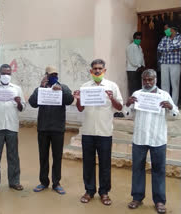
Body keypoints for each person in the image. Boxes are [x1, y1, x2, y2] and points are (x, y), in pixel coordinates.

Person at [125, 69, 179, 214]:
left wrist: (170, 107)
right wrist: (128, 103)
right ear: (142, 80)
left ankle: (160, 201)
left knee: (159, 170)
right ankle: (137, 197)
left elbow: (175, 115)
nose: (148, 82)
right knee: (137, 169)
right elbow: (128, 115)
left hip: (158, 139)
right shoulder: (137, 94)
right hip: (140, 138)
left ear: (156, 79)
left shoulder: (164, 95)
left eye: (150, 80)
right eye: (145, 80)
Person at [74, 59, 123, 205]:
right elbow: (80, 108)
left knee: (105, 164)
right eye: (94, 68)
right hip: (88, 131)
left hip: (104, 132)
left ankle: (104, 192)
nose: (97, 70)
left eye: (100, 68)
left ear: (104, 70)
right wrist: (78, 99)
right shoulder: (84, 87)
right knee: (88, 163)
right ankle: (89, 191)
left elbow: (120, 107)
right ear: (91, 71)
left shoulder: (112, 86)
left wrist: (111, 97)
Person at [28, 66, 74, 195]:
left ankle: (56, 183)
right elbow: (32, 103)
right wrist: (41, 87)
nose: (54, 76)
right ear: (46, 75)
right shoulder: (40, 89)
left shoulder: (63, 87)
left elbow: (70, 100)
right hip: (43, 128)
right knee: (43, 156)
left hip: (58, 128)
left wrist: (62, 91)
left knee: (57, 156)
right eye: (51, 74)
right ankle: (43, 182)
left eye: (56, 74)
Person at [0, 64, 26, 193]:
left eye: (8, 73)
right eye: (3, 73)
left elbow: (22, 108)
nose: (6, 75)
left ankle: (14, 182)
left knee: (13, 155)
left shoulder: (17, 89)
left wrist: (19, 102)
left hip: (12, 126)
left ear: (11, 74)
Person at [157, 24, 181, 105]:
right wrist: (173, 48)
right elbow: (159, 48)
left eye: (166, 29)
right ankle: (165, 103)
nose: (165, 31)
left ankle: (173, 105)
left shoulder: (179, 37)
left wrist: (167, 48)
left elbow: (179, 45)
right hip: (164, 63)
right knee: (164, 84)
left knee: (175, 84)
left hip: (175, 63)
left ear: (172, 29)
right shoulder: (164, 38)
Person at [126, 31, 145, 96]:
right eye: (137, 38)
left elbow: (142, 57)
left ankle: (137, 102)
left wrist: (142, 65)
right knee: (133, 87)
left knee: (138, 87)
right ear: (134, 39)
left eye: (140, 38)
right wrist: (138, 66)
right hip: (132, 70)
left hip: (139, 69)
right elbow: (131, 59)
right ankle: (132, 102)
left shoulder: (139, 47)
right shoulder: (130, 47)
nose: (138, 40)